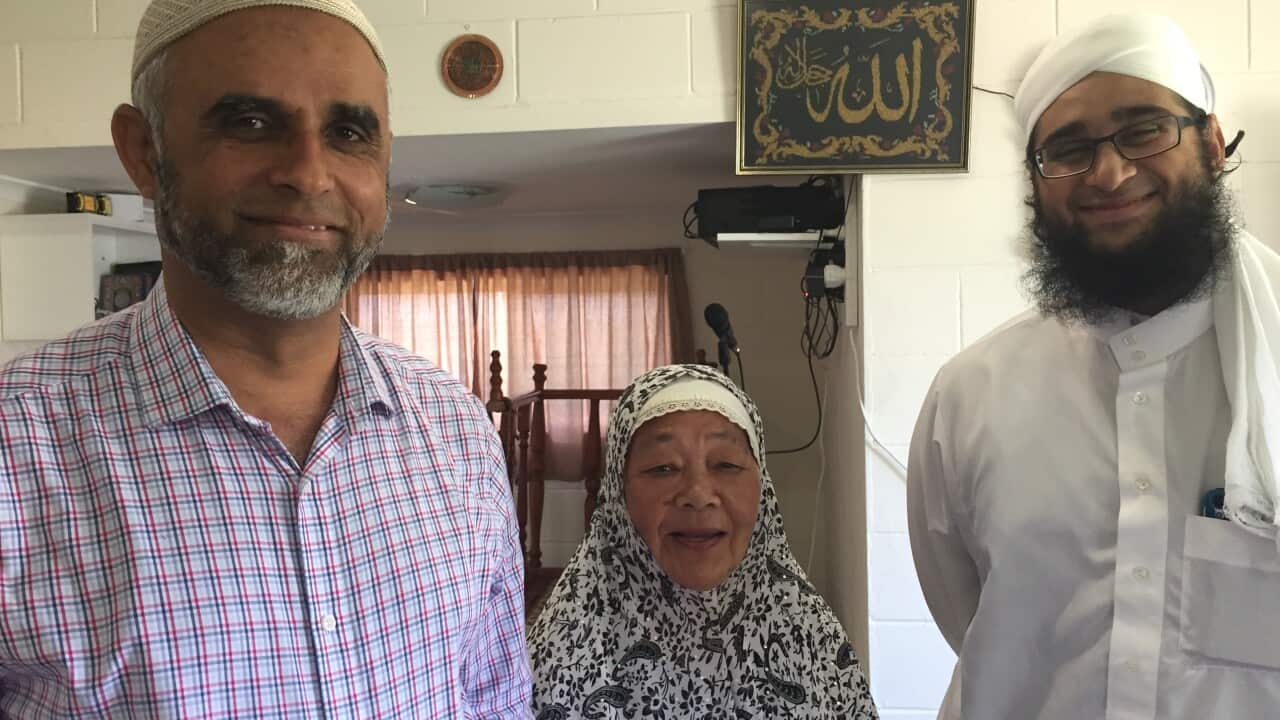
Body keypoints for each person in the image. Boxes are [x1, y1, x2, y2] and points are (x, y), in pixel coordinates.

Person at [0, 1, 531, 716]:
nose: (309, 173)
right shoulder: (18, 447)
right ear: (144, 151)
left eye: (348, 133)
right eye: (250, 123)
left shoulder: (456, 431)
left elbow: (494, 701)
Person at [908, 11, 1280, 720]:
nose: (1109, 173)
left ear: (1208, 140)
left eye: (1143, 129)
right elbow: (973, 620)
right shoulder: (970, 396)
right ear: (1034, 181)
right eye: (1069, 148)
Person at [528, 364, 878, 719]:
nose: (697, 495)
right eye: (663, 467)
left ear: (763, 488)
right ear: (619, 493)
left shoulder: (812, 642)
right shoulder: (560, 656)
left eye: (726, 464)